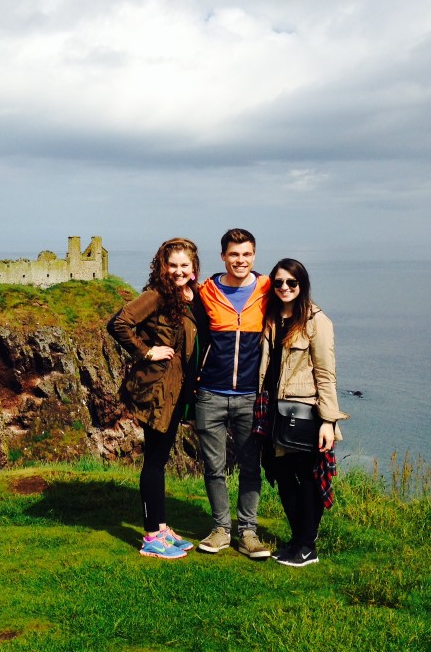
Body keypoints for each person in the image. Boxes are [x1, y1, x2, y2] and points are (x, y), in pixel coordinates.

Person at [108, 238, 207, 559]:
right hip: (160, 388)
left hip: (180, 389)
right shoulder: (156, 295)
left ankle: (161, 527)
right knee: (154, 460)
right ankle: (151, 537)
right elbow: (119, 324)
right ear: (162, 267)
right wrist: (146, 351)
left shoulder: (193, 295)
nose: (178, 271)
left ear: (193, 268)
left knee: (161, 458)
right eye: (172, 265)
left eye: (184, 265)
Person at [257, 258, 348, 567]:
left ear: (302, 285)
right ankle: (299, 540)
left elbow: (326, 374)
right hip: (273, 410)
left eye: (291, 283)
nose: (284, 288)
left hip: (304, 412)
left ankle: (307, 546)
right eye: (279, 282)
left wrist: (328, 420)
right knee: (282, 475)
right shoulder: (270, 316)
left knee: (308, 478)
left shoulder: (316, 321)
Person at [195, 228, 273, 559]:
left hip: (249, 396)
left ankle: (248, 532)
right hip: (210, 393)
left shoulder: (269, 288)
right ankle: (220, 530)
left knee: (250, 466)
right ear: (223, 256)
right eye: (234, 254)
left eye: (246, 254)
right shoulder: (206, 291)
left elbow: (300, 307)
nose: (240, 260)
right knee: (214, 466)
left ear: (254, 255)